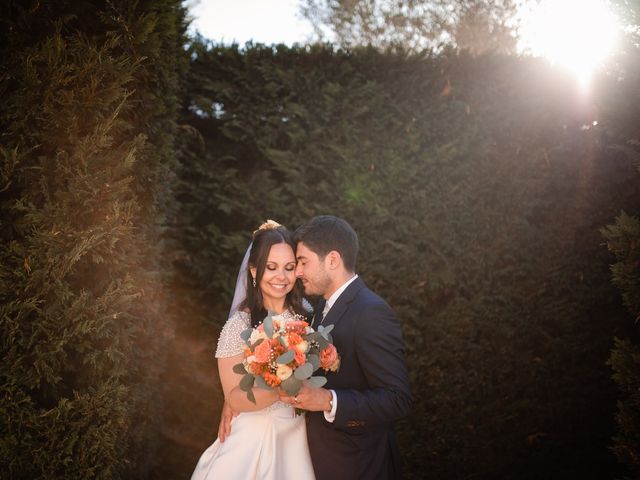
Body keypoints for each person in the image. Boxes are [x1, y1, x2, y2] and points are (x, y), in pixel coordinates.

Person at [280, 215, 412, 479]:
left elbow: (398, 399)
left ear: (332, 260)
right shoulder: (318, 310)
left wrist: (329, 400)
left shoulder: (371, 313)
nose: (297, 272)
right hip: (318, 461)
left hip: (359, 467)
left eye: (303, 262)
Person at [190, 221, 315, 480]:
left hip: (298, 434)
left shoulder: (308, 314)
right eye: (271, 267)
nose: (281, 277)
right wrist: (279, 389)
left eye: (289, 268)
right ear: (254, 270)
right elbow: (234, 397)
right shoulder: (238, 327)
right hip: (254, 437)